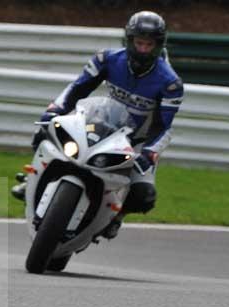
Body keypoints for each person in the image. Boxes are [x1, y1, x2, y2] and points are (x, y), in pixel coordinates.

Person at [12, 10, 183, 239]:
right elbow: (77, 89)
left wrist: (150, 153)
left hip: (136, 142)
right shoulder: (107, 59)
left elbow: (164, 126)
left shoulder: (170, 83)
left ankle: (117, 216)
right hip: (99, 124)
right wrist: (55, 110)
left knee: (144, 194)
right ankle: (32, 181)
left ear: (158, 45)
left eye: (149, 44)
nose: (143, 49)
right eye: (139, 42)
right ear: (129, 40)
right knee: (45, 132)